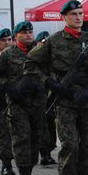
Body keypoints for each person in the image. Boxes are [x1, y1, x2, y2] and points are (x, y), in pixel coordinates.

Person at [24, 0, 88, 175]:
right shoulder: (53, 42)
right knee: (70, 145)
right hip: (65, 103)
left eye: (81, 13)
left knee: (85, 148)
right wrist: (50, 83)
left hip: (87, 102)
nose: (79, 17)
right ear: (64, 17)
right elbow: (30, 64)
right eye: (73, 14)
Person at [0, 21, 44, 175]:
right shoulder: (7, 55)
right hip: (17, 104)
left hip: (37, 104)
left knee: (35, 139)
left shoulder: (40, 53)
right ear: (17, 36)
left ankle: (29, 171)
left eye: (30, 32)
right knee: (21, 139)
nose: (29, 35)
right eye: (24, 32)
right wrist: (9, 88)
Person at [0, 28, 16, 175]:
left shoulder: (15, 57)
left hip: (5, 101)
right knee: (1, 133)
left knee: (5, 133)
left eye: (9, 39)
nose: (7, 43)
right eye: (4, 40)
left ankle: (6, 165)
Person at [34, 31, 57, 166]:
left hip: (51, 98)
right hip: (37, 100)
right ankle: (44, 153)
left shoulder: (53, 60)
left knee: (50, 127)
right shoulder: (34, 61)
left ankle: (48, 150)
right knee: (41, 127)